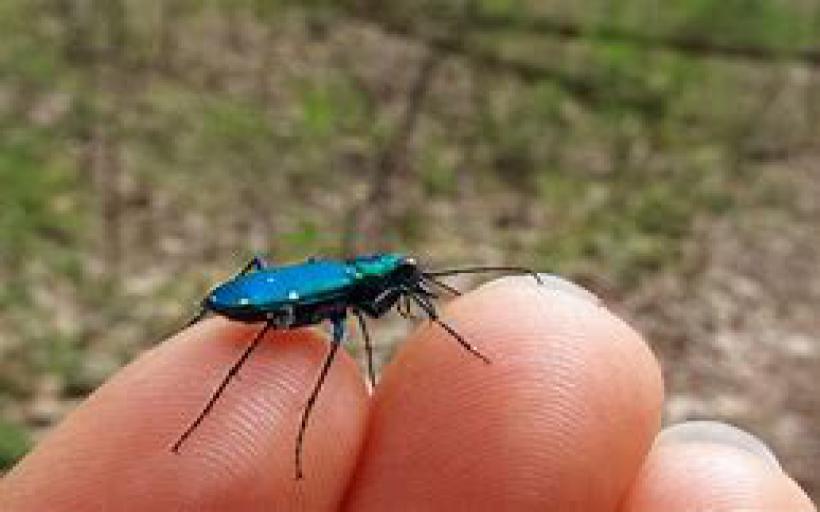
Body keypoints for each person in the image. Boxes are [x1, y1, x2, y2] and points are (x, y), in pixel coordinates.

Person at [0, 276, 814, 511]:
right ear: (382, 279)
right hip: (271, 302)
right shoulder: (356, 296)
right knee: (314, 361)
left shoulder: (372, 284)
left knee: (307, 353)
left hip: (279, 296)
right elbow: (357, 319)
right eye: (404, 281)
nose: (415, 287)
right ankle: (230, 399)